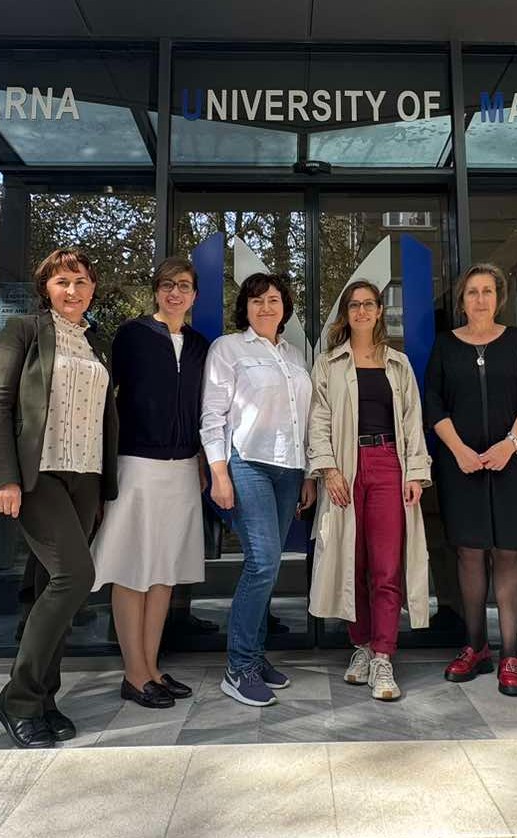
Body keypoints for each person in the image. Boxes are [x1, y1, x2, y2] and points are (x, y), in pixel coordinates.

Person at [0, 246, 119, 747]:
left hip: (85, 474)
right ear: (47, 288)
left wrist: (104, 485)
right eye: (63, 281)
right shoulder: (24, 330)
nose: (73, 290)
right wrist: (4, 476)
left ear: (92, 289)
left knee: (52, 586)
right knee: (75, 576)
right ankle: (18, 698)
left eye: (81, 281)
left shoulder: (95, 342)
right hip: (38, 472)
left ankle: (44, 697)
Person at [92, 257, 211, 709]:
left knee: (163, 571)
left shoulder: (200, 345)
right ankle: (133, 672)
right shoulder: (132, 335)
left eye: (183, 286)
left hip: (183, 467)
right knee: (132, 568)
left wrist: (203, 460)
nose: (175, 293)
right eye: (167, 285)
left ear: (194, 295)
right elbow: (108, 400)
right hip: (137, 463)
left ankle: (152, 667)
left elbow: (203, 408)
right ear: (156, 290)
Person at [307, 281, 432, 702]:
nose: (361, 311)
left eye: (368, 304)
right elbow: (318, 420)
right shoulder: (329, 364)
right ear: (346, 313)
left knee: (386, 567)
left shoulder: (398, 364)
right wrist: (328, 469)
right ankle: (361, 645)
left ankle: (383, 656)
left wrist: (415, 473)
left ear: (380, 311)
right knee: (351, 560)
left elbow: (413, 421)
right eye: (354, 305)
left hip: (388, 465)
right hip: (345, 466)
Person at [425, 264, 517, 697]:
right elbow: (433, 402)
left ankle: (510, 654)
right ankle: (475, 647)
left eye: (487, 291)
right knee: (470, 554)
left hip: (511, 462)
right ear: (462, 300)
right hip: (462, 465)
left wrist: (510, 444)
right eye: (472, 292)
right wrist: (458, 450)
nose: (479, 299)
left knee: (506, 553)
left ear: (499, 297)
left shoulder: (516, 342)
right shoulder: (445, 345)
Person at [201, 273, 315, 707]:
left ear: (285, 307)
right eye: (256, 301)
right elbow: (212, 415)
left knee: (269, 564)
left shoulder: (293, 355)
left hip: (289, 471)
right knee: (263, 563)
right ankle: (239, 667)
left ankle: (254, 653)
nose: (265, 307)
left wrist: (308, 475)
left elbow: (304, 419)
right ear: (244, 308)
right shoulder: (228, 348)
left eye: (273, 300)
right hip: (247, 463)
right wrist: (219, 473)